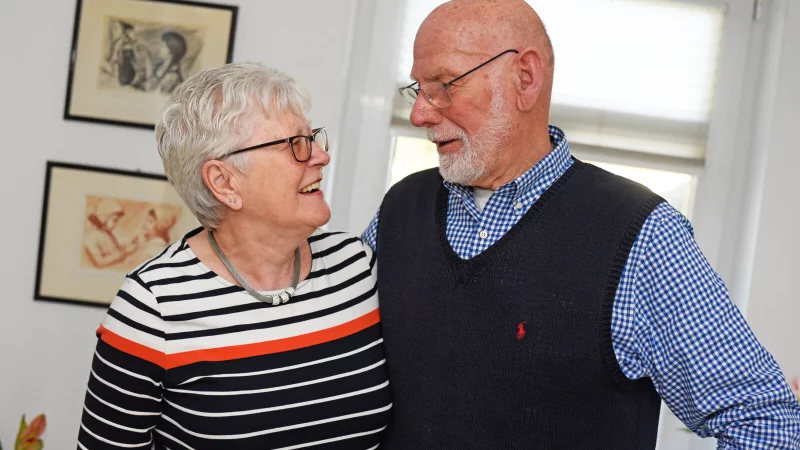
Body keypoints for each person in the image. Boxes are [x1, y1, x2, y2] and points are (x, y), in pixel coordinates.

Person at [362, 1, 800, 448]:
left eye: (444, 85)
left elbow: (763, 421)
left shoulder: (643, 237)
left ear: (525, 78)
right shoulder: (401, 209)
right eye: (419, 88)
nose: (420, 113)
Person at [77, 62, 391, 449]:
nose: (321, 157)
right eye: (295, 144)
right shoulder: (153, 307)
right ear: (225, 183)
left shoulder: (359, 268)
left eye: (313, 138)